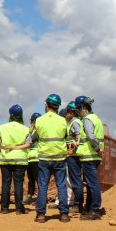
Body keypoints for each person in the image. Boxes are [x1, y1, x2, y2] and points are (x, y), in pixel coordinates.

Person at [27, 94, 70, 223]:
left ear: (46, 105)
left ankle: (40, 215)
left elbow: (34, 138)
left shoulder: (39, 120)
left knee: (43, 186)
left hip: (44, 158)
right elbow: (66, 137)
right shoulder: (63, 121)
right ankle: (64, 215)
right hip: (59, 158)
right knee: (61, 185)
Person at [0, 104, 29, 214]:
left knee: (6, 183)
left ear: (10, 115)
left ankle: (4, 208)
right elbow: (28, 144)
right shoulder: (26, 129)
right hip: (20, 160)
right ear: (21, 115)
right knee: (18, 184)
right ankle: (19, 209)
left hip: (5, 160)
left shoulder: (2, 127)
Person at [74, 95, 105, 220]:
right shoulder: (96, 118)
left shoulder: (87, 119)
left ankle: (94, 210)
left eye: (78, 109)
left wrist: (97, 149)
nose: (77, 111)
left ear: (83, 107)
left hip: (89, 155)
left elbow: (91, 136)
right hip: (94, 156)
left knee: (93, 184)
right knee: (91, 183)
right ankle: (89, 207)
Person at [64, 101, 85, 214]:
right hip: (75, 154)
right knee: (76, 179)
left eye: (67, 111)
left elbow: (78, 136)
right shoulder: (73, 121)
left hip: (74, 155)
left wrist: (73, 147)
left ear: (71, 112)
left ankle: (78, 204)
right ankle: (78, 203)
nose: (66, 114)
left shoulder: (75, 122)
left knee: (76, 180)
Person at [23, 112, 42, 205]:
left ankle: (41, 198)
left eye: (32, 121)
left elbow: (30, 140)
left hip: (36, 159)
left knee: (38, 179)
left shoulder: (38, 131)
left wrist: (29, 132)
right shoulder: (32, 131)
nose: (31, 123)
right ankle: (30, 196)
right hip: (30, 159)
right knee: (31, 180)